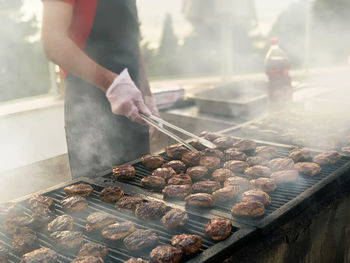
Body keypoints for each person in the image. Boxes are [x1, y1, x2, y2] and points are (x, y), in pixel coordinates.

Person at [41, 0, 158, 178]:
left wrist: (147, 95)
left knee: (145, 196)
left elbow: (132, 43)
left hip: (134, 110)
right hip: (89, 118)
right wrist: (112, 83)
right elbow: (53, 42)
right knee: (95, 200)